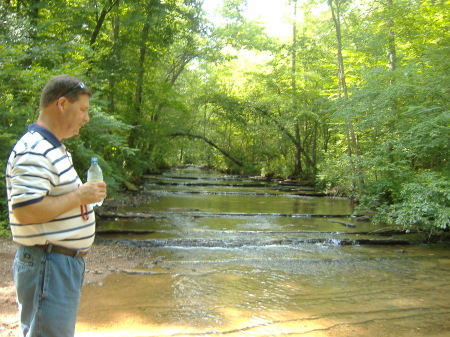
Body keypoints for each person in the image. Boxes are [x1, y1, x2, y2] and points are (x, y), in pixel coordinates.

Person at [5, 74, 107, 337]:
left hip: (57, 263)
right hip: (48, 263)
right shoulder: (34, 150)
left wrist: (82, 196)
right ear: (62, 103)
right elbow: (26, 211)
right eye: (83, 110)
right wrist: (78, 197)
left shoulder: (53, 148)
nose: (86, 118)